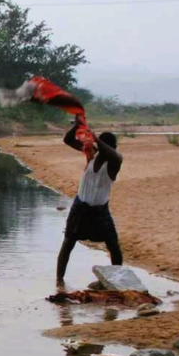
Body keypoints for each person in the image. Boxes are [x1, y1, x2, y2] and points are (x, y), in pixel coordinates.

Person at [56, 117, 124, 286]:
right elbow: (67, 140)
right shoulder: (92, 154)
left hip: (100, 210)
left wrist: (96, 138)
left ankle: (117, 278)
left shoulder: (114, 162)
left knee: (113, 245)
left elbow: (114, 155)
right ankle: (59, 281)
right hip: (80, 206)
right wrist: (78, 126)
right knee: (68, 241)